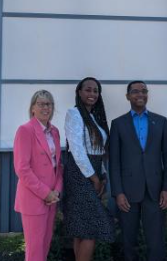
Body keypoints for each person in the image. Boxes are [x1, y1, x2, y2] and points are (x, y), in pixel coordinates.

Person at [109, 81, 167, 261]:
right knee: (128, 243)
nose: (140, 94)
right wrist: (118, 193)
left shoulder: (160, 121)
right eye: (136, 91)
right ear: (128, 96)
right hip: (127, 194)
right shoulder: (118, 124)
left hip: (155, 192)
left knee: (156, 243)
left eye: (144, 91)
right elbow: (113, 162)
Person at [62, 77, 115, 261]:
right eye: (88, 90)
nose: (92, 94)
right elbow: (77, 150)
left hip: (95, 172)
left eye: (95, 91)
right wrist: (94, 178)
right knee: (91, 228)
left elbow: (98, 150)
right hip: (79, 174)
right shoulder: (74, 114)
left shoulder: (95, 117)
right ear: (79, 92)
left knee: (82, 229)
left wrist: (103, 175)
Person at [14, 90, 63, 261]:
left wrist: (56, 191)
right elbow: (22, 169)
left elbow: (57, 165)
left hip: (52, 199)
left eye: (49, 104)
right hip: (34, 198)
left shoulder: (55, 131)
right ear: (33, 108)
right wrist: (46, 193)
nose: (45, 107)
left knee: (45, 245)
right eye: (41, 104)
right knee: (34, 250)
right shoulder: (25, 130)